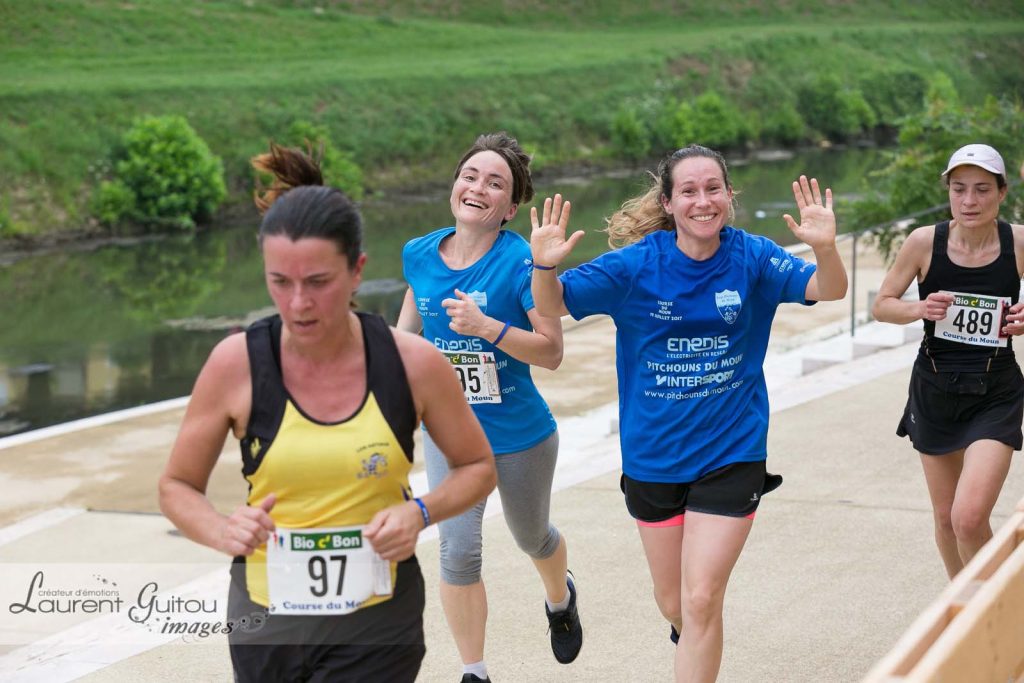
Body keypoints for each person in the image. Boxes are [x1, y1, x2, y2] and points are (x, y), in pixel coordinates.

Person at [158, 142, 496, 683]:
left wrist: (419, 513)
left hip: (377, 621)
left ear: (357, 271)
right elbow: (176, 486)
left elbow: (477, 467)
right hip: (266, 619)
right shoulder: (235, 364)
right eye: (280, 282)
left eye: (318, 282)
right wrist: (222, 530)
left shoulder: (412, 363)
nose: (298, 303)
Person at [529, 144, 848, 683]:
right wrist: (544, 264)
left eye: (713, 188)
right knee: (675, 603)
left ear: (729, 194)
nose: (703, 201)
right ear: (669, 202)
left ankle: (696, 639)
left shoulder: (753, 257)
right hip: (653, 458)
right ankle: (692, 635)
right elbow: (552, 302)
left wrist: (825, 248)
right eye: (689, 191)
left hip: (732, 453)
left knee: (701, 598)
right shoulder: (636, 266)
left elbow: (830, 288)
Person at [397, 131, 582, 683]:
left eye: (495, 183)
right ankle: (473, 671)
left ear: (510, 207)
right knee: (457, 550)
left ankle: (559, 597)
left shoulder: (522, 261)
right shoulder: (419, 253)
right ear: (455, 185)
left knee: (532, 537)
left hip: (520, 435)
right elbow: (409, 331)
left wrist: (486, 327)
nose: (478, 188)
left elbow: (551, 351)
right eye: (470, 176)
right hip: (450, 434)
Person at [872, 143, 1024, 579]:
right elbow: (882, 305)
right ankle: (962, 603)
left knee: (968, 519)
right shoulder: (924, 242)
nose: (969, 201)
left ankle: (999, 606)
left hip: (996, 390)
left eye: (982, 189)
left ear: (1002, 192)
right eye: (959, 189)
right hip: (935, 388)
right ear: (949, 192)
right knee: (945, 519)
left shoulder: (1018, 241)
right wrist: (918, 308)